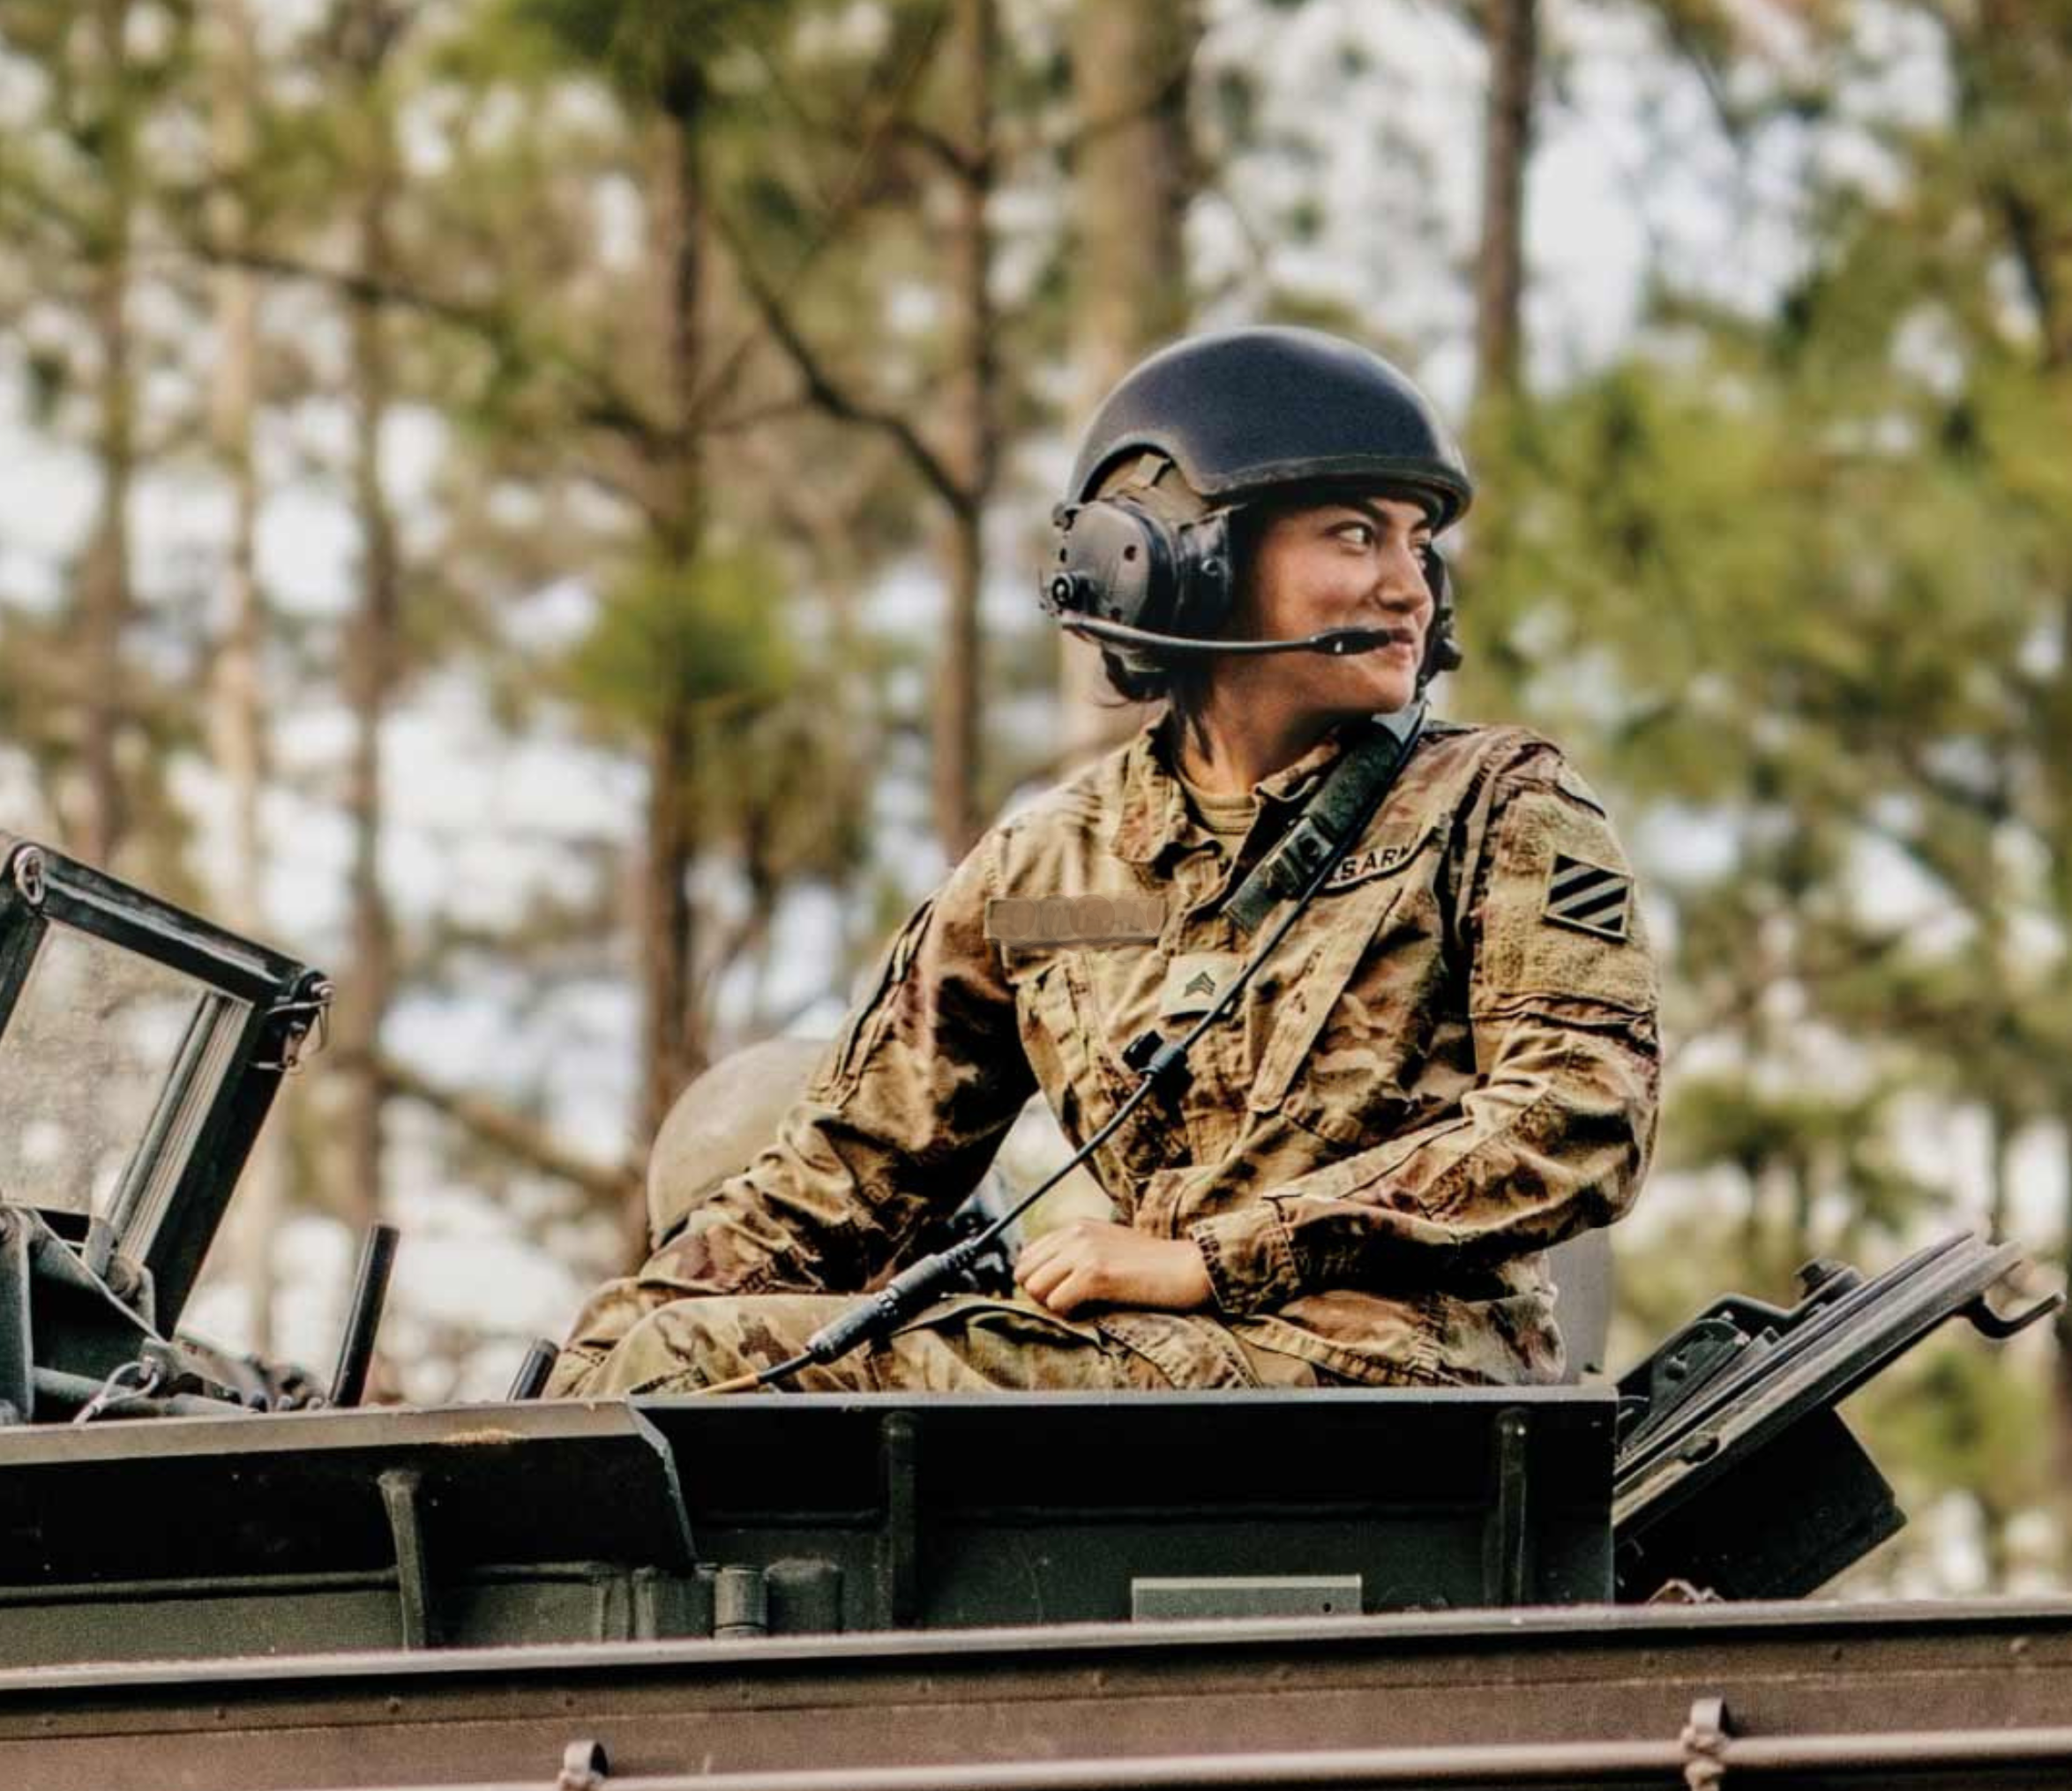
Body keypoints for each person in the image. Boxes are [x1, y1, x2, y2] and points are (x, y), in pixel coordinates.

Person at [546, 325, 1657, 1396]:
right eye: (1355, 535)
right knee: (667, 1355)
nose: (1409, 587)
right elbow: (844, 1172)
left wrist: (1216, 1260)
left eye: (1418, 544)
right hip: (1154, 1378)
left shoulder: (1499, 806)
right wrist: (582, 1366)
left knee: (696, 1370)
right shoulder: (1045, 869)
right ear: (1182, 561)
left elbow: (1578, 1115)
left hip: (1393, 1385)